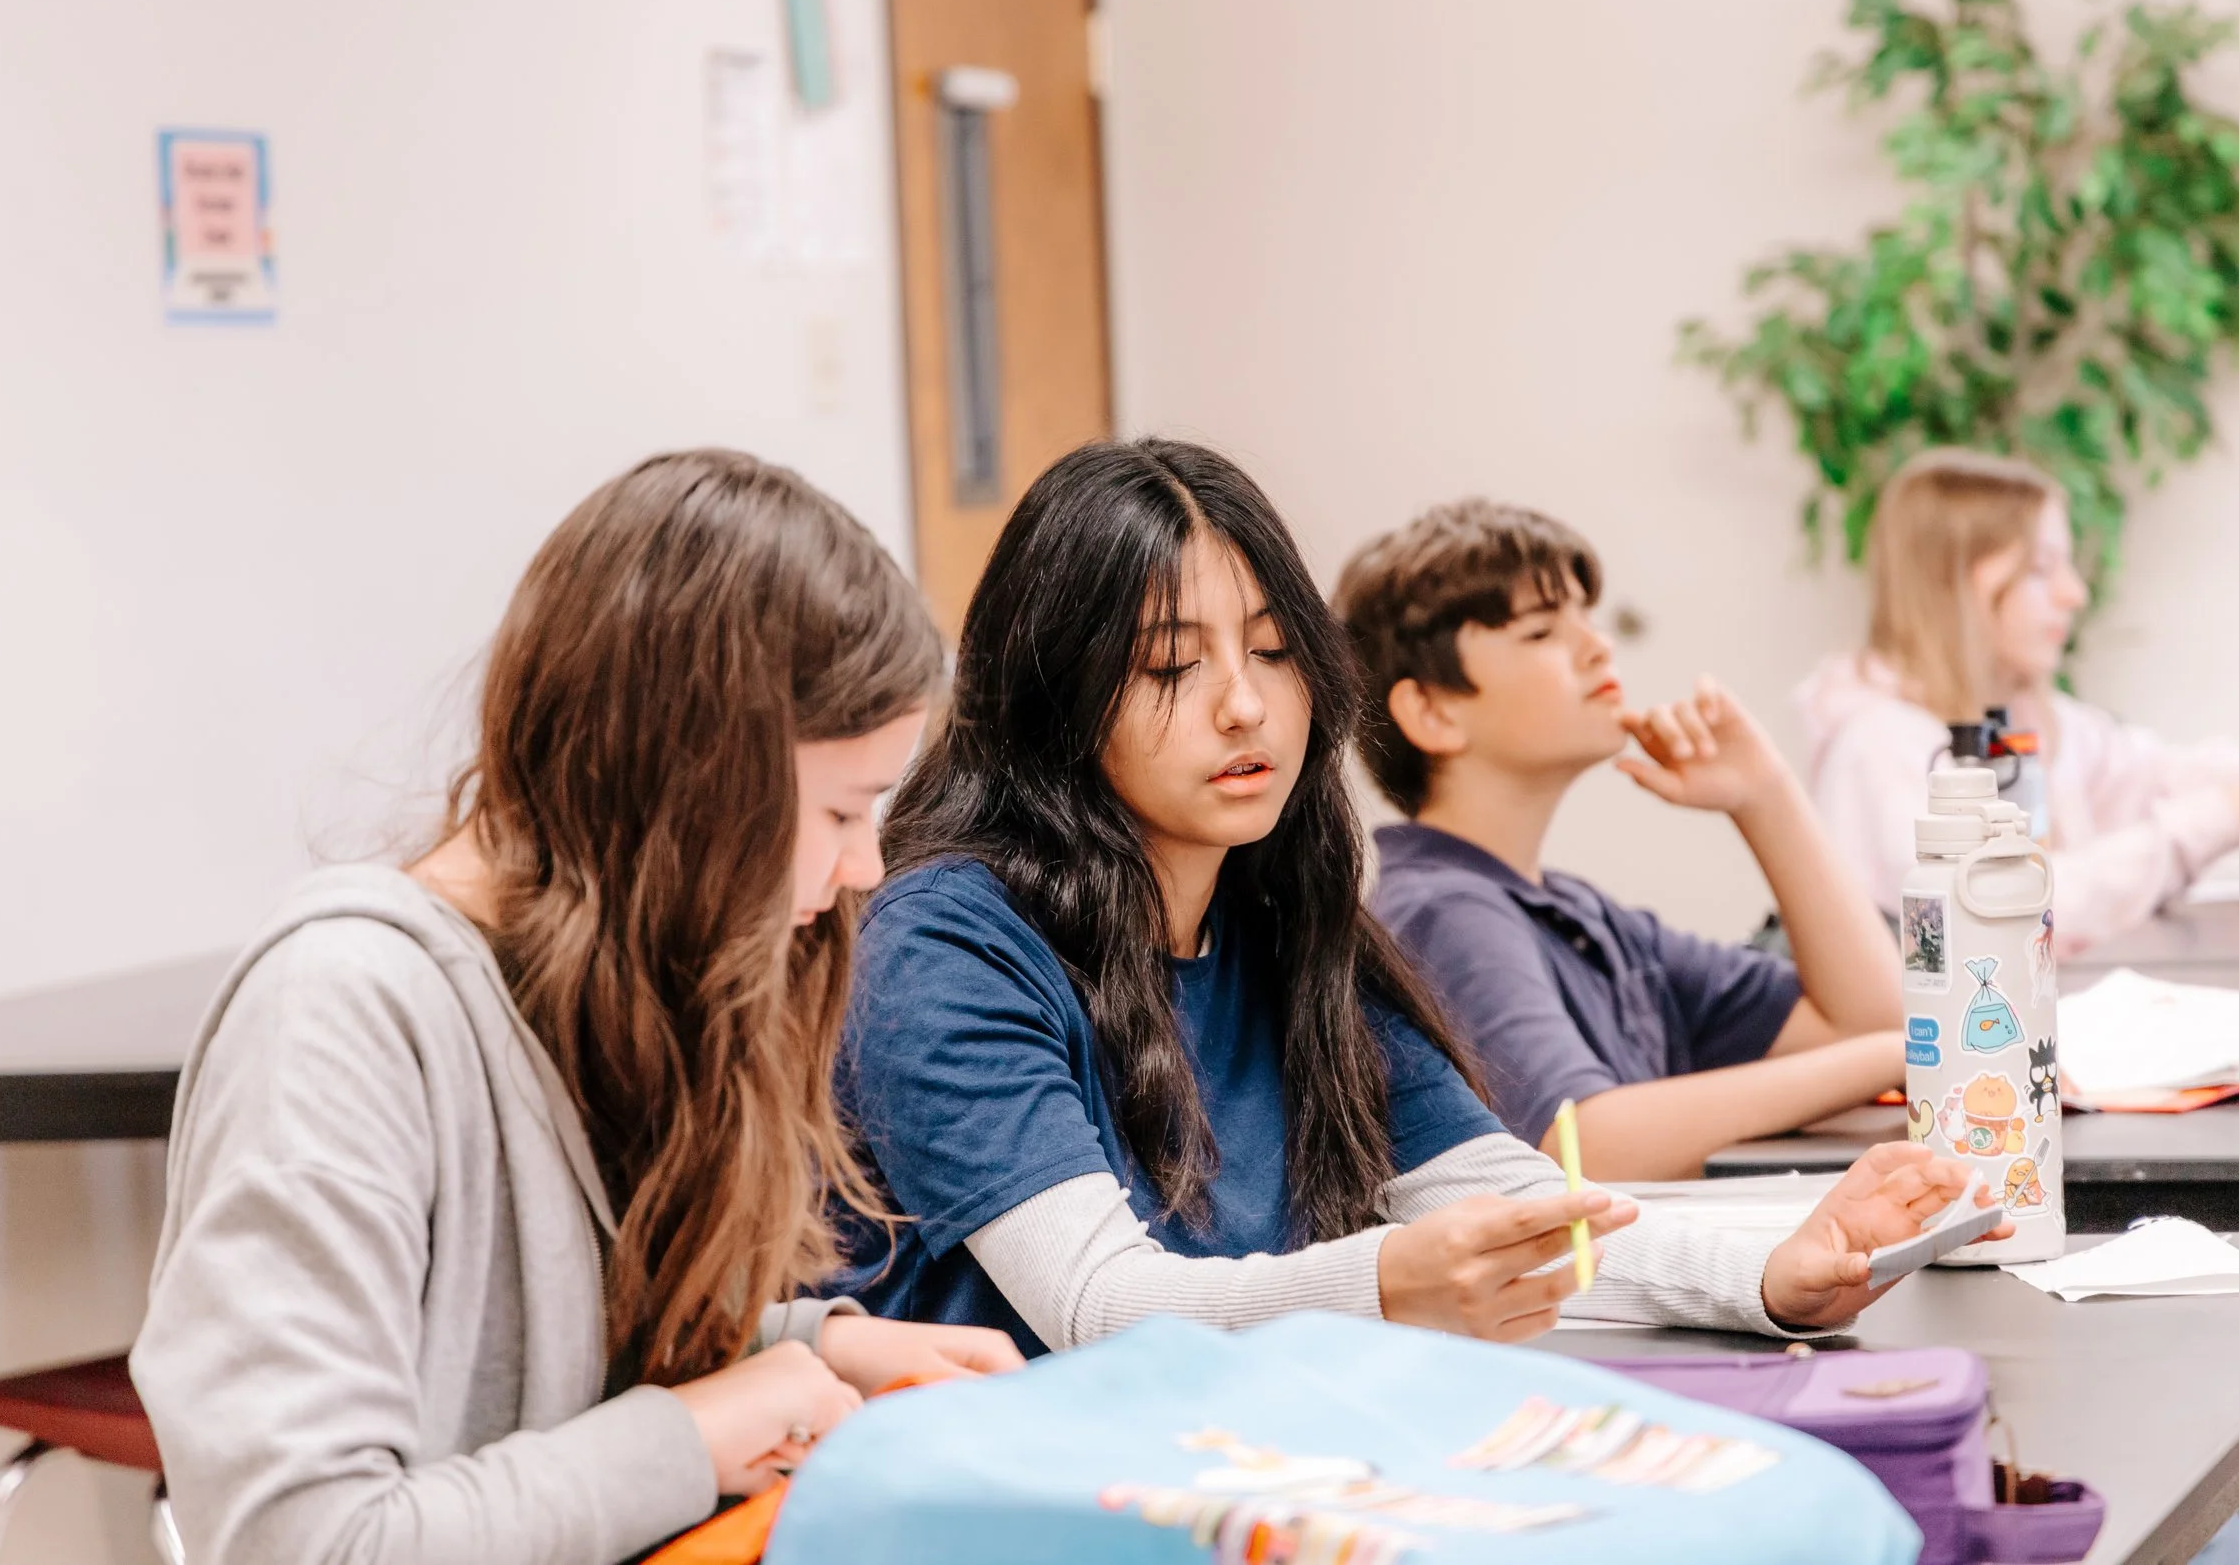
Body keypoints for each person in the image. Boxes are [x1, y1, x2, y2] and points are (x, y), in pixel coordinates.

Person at [829, 438, 1999, 1359]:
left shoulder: (1280, 921)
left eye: (1273, 651)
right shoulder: (944, 941)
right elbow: (1096, 1305)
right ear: (1054, 697)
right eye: (1172, 663)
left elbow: (1508, 1194)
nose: (1244, 705)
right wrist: (1386, 1280)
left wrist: (1772, 1272)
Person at [132, 451, 1021, 1565]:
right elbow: (303, 1538)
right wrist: (690, 1435)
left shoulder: (599, 981)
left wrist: (814, 1349)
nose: (866, 869)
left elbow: (559, 1362)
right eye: (843, 812)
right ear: (691, 789)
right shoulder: (339, 1011)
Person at [1333, 500, 1904, 1181]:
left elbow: (1871, 1017)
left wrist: (1766, 796)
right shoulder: (1443, 911)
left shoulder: (1577, 913)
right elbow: (1580, 1145)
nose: (1597, 645)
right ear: (1431, 711)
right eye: (1542, 631)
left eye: (1588, 616)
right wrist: (1894, 1054)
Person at [1798, 449, 2239, 956]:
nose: (2074, 593)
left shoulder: (2034, 717)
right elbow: (2018, 912)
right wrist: (2220, 817)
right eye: (2040, 570)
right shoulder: (1878, 749)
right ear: (1953, 587)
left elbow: (2155, 773)